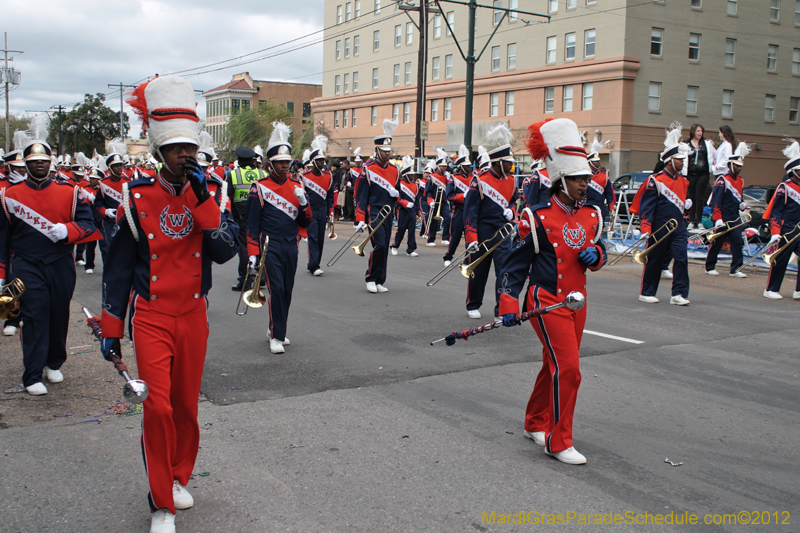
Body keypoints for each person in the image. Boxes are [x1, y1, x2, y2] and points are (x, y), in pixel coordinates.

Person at [102, 75, 238, 533]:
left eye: (189, 147)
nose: (184, 155)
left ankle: (180, 477)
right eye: (175, 148)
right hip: (152, 315)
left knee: (185, 408)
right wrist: (111, 328)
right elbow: (118, 270)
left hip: (193, 314)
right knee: (157, 408)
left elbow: (223, 251)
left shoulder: (212, 192)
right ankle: (161, 502)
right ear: (160, 151)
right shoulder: (135, 196)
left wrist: (201, 198)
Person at [498, 118, 606, 465]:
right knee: (570, 369)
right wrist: (507, 302)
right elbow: (515, 265)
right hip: (546, 299)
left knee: (554, 364)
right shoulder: (536, 216)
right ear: (561, 180)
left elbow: (599, 250)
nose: (585, 184)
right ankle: (558, 442)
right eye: (578, 179)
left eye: (587, 178)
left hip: (578, 301)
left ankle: (534, 422)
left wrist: (597, 255)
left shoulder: (592, 215)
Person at [0, 135, 100, 396]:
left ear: (50, 162)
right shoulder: (8, 195)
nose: (39, 164)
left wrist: (68, 230)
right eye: (34, 161)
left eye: (44, 160)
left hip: (60, 263)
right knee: (34, 316)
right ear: (26, 164)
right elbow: (2, 238)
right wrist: (1, 273)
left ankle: (54, 362)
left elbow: (89, 226)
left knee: (58, 314)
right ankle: (32, 373)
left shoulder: (71, 192)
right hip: (26, 263)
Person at [246, 121, 311, 353]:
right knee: (277, 288)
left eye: (287, 162)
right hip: (269, 246)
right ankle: (277, 335)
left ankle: (275, 326)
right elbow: (251, 225)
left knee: (287, 289)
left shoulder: (297, 185)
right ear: (270, 164)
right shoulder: (259, 187)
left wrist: (304, 203)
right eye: (280, 162)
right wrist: (253, 254)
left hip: (291, 245)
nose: (285, 166)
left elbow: (306, 222)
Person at [463, 124, 518, 319]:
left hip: (503, 232)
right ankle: (473, 304)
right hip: (482, 231)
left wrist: (512, 211)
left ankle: (501, 310)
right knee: (479, 271)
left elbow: (514, 201)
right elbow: (470, 211)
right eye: (509, 162)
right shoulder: (480, 180)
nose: (511, 166)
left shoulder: (512, 180)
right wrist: (471, 238)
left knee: (504, 271)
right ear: (499, 162)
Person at [637, 122, 691, 305]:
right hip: (659, 226)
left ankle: (679, 294)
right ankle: (647, 292)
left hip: (679, 226)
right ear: (669, 161)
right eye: (679, 160)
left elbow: (681, 206)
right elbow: (646, 207)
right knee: (655, 259)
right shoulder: (655, 180)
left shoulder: (683, 181)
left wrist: (688, 208)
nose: (683, 162)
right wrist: (645, 228)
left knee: (681, 258)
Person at [354, 119, 400, 293]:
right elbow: (361, 196)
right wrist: (360, 219)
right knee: (379, 245)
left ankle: (380, 279)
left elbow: (398, 193)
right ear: (377, 150)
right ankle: (371, 277)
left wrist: (396, 195)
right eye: (384, 150)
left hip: (388, 214)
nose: (387, 153)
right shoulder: (368, 169)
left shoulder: (395, 170)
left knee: (385, 247)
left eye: (389, 150)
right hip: (373, 212)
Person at [762, 139, 800, 300]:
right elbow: (776, 212)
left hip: (799, 228)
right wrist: (775, 232)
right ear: (793, 171)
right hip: (786, 229)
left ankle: (798, 290)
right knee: (781, 260)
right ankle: (771, 289)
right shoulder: (784, 187)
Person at [705, 142, 750, 278]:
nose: (739, 168)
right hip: (723, 216)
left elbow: (739, 197)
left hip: (735, 215)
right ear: (730, 165)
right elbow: (716, 201)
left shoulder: (740, 181)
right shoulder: (722, 180)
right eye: (736, 165)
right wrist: (717, 218)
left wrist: (742, 204)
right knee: (717, 242)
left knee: (737, 241)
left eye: (740, 166)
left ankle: (736, 268)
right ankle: (710, 266)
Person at [227, 146, 263, 291]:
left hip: (241, 216)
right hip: (260, 214)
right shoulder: (262, 173)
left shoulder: (233, 174)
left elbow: (228, 197)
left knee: (244, 247)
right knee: (260, 244)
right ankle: (261, 278)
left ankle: (245, 280)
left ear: (239, 160)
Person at [301, 136, 335, 276]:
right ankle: (314, 266)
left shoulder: (328, 176)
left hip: (322, 210)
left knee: (320, 238)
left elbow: (330, 196)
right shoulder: (305, 176)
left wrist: (331, 211)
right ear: (313, 162)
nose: (322, 162)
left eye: (323, 160)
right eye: (319, 160)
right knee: (313, 237)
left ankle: (313, 263)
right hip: (311, 211)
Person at [95, 145, 130, 265]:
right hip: (109, 222)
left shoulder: (128, 182)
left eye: (120, 165)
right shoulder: (103, 183)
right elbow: (98, 203)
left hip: (125, 220)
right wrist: (105, 211)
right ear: (110, 168)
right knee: (110, 248)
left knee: (125, 249)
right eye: (116, 166)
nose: (119, 168)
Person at [443, 145, 472, 267]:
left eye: (469, 165)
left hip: (470, 211)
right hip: (458, 211)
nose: (469, 167)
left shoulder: (473, 178)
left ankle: (468, 260)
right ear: (461, 167)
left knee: (470, 237)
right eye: (466, 166)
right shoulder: (453, 179)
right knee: (455, 236)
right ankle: (448, 257)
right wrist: (462, 196)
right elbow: (449, 196)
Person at [685, 124, 715, 229]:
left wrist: (713, 166)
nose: (700, 133)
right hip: (690, 174)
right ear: (693, 131)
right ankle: (692, 220)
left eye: (701, 131)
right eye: (698, 131)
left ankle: (699, 221)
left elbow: (714, 155)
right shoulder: (686, 144)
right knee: (691, 197)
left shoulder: (706, 144)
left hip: (703, 174)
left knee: (700, 197)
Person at [390, 156, 418, 257]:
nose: (412, 176)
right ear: (405, 175)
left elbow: (416, 199)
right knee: (401, 229)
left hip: (412, 210)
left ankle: (410, 249)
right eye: (410, 175)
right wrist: (405, 203)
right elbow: (397, 199)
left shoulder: (415, 185)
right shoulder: (400, 184)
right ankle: (395, 246)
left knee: (412, 230)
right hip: (402, 210)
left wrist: (419, 211)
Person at [584, 137, 616, 224]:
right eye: (595, 161)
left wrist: (611, 207)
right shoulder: (584, 175)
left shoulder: (604, 176)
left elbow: (609, 193)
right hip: (587, 205)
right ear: (590, 162)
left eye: (598, 161)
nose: (598, 163)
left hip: (600, 206)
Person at [424, 149, 452, 246]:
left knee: (448, 218)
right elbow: (428, 191)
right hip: (434, 201)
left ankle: (445, 238)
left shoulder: (447, 176)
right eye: (442, 166)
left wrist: (449, 179)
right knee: (433, 221)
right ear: (438, 166)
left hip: (443, 202)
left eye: (445, 166)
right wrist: (430, 201)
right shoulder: (432, 177)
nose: (444, 168)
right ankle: (430, 240)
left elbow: (449, 188)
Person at [417, 163, 432, 238]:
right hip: (422, 200)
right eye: (426, 173)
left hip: (429, 201)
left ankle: (423, 232)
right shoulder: (419, 181)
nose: (427, 174)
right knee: (426, 215)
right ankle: (426, 233)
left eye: (429, 173)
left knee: (429, 216)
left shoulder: (431, 182)